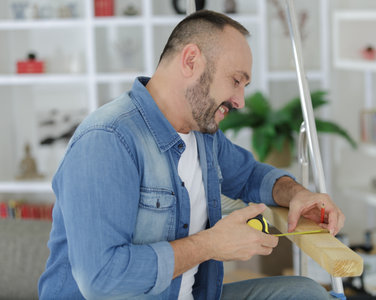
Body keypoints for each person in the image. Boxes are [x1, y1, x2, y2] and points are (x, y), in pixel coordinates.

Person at [38, 10, 344, 300]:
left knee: (306, 293)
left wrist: (297, 194)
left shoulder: (202, 134)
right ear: (191, 61)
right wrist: (211, 244)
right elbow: (101, 279)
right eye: (236, 81)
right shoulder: (108, 140)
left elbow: (250, 175)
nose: (240, 101)